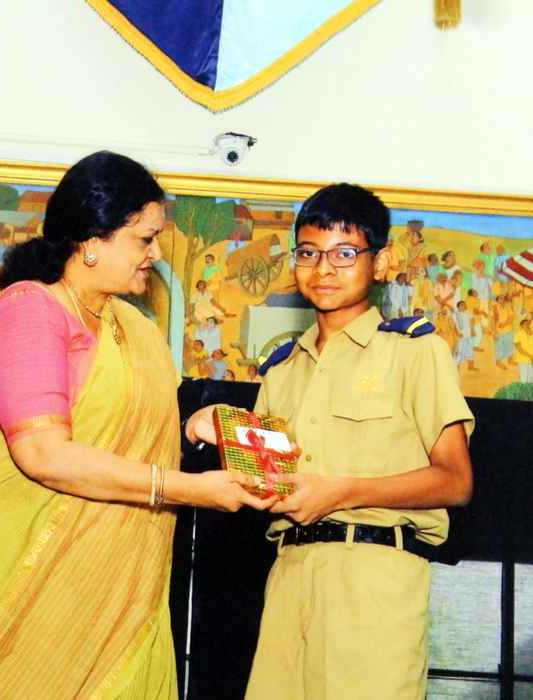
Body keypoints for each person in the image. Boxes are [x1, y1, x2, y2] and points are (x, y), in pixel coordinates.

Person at [0, 151, 273, 698]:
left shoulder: (135, 328)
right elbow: (45, 455)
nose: (155, 254)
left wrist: (195, 425)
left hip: (109, 592)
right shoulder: (31, 311)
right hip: (4, 572)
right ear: (92, 242)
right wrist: (190, 490)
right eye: (144, 239)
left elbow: (126, 434)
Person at [185, 183, 473, 699]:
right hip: (289, 573)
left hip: (373, 577)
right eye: (308, 253)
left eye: (344, 253)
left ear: (379, 262)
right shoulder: (281, 369)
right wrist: (219, 429)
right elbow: (268, 483)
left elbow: (455, 481)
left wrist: (338, 493)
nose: (323, 269)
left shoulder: (414, 352)